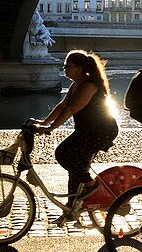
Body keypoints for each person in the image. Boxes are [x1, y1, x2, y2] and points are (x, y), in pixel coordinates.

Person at [34, 50, 118, 223]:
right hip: (87, 130)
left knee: (63, 154)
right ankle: (72, 209)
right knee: (75, 167)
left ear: (79, 68)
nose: (65, 69)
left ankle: (92, 186)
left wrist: (51, 128)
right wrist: (44, 123)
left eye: (68, 66)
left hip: (101, 131)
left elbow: (71, 109)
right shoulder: (76, 85)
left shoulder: (89, 86)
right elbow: (62, 105)